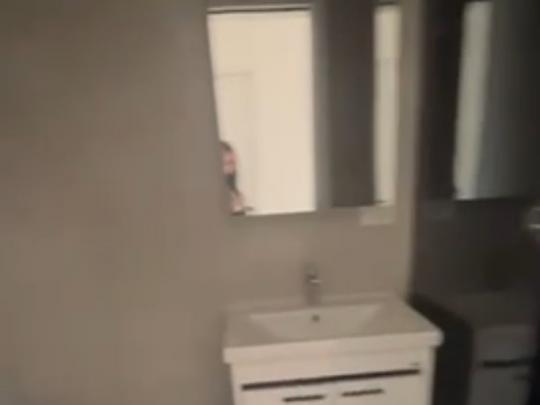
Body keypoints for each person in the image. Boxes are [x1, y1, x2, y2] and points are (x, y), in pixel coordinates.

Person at [220, 141, 247, 215]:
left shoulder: (234, 194)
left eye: (233, 164)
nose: (232, 169)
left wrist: (239, 208)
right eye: (228, 163)